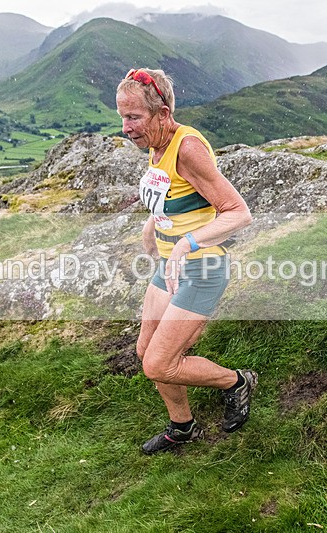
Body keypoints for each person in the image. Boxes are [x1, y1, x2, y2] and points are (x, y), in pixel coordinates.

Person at [116, 67, 257, 454]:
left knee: (159, 364)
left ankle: (237, 382)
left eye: (134, 118)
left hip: (202, 268)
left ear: (162, 113)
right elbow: (175, 196)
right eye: (122, 118)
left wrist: (185, 244)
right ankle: (183, 426)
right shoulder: (155, 144)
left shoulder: (187, 147)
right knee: (147, 352)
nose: (126, 128)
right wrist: (153, 226)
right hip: (170, 266)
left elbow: (238, 212)